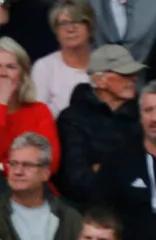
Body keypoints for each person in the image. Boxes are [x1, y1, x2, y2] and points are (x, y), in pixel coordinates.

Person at [56, 45, 144, 207]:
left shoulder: (143, 115)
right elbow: (77, 181)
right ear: (99, 80)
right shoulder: (72, 118)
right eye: (125, 74)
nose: (134, 78)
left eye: (134, 73)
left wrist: (102, 168)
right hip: (88, 212)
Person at [0, 38, 61, 172]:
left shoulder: (39, 111)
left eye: (10, 67)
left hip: (35, 188)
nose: (3, 73)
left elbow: (50, 162)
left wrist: (3, 167)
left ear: (23, 74)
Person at [100, 83, 156, 240]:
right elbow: (102, 214)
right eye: (148, 110)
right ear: (140, 116)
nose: (154, 118)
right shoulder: (118, 160)